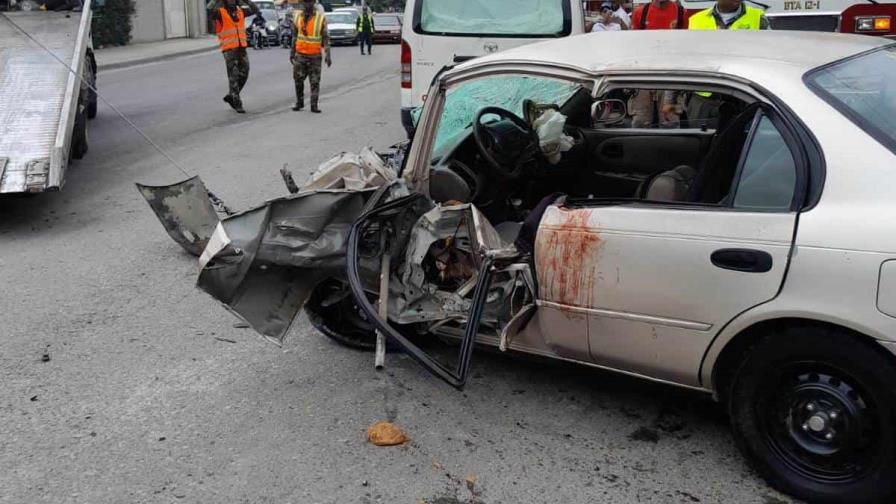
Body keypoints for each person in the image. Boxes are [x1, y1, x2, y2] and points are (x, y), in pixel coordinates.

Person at [660, 0, 768, 127]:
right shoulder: (697, 20)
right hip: (703, 100)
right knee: (701, 143)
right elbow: (682, 61)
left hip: (743, 98)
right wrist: (669, 99)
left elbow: (770, 58)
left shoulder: (758, 18)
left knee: (742, 142)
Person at [629, 0, 683, 127]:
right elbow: (632, 45)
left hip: (671, 75)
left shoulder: (680, 13)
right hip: (643, 74)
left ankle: (672, 147)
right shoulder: (640, 13)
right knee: (641, 122)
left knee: (670, 122)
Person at [209, 0, 259, 114]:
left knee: (245, 72)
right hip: (229, 49)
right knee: (234, 76)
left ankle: (232, 95)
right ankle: (237, 103)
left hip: (241, 48)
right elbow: (209, 9)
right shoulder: (220, 13)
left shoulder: (240, 11)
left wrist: (246, 1)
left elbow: (255, 9)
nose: (231, 1)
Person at [290, 0, 331, 113]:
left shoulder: (320, 18)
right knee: (298, 80)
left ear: (313, 3)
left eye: (309, 2)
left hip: (315, 56)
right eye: (305, 2)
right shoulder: (297, 17)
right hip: (300, 55)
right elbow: (294, 36)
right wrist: (292, 52)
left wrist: (328, 54)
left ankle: (314, 105)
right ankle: (299, 102)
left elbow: (326, 38)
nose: (307, 4)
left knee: (315, 82)